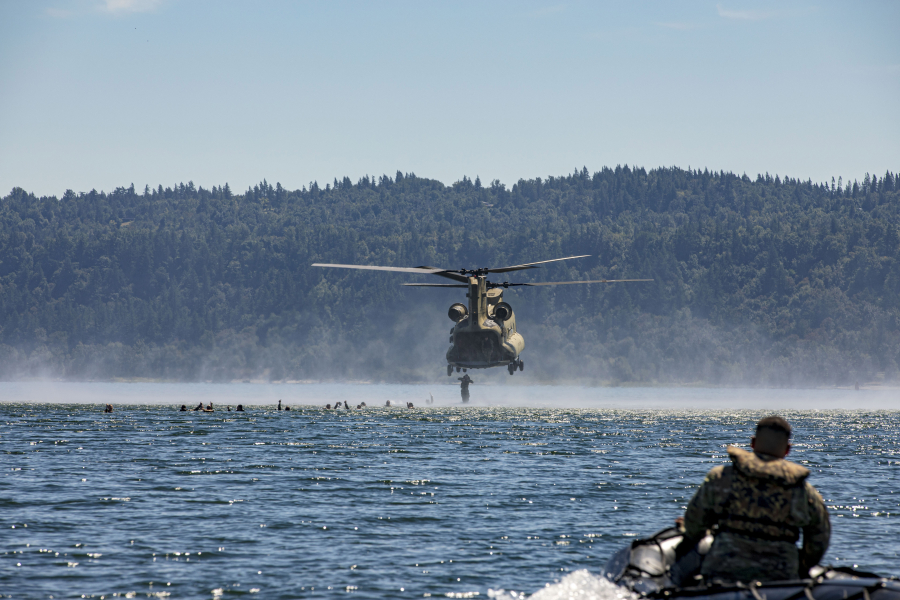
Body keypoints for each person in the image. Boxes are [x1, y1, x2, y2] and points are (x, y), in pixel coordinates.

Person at [675, 416, 830, 582]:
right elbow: (819, 540)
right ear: (787, 450)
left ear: (753, 443)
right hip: (780, 580)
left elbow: (694, 524)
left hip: (723, 572)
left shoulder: (720, 477)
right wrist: (803, 566)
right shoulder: (803, 491)